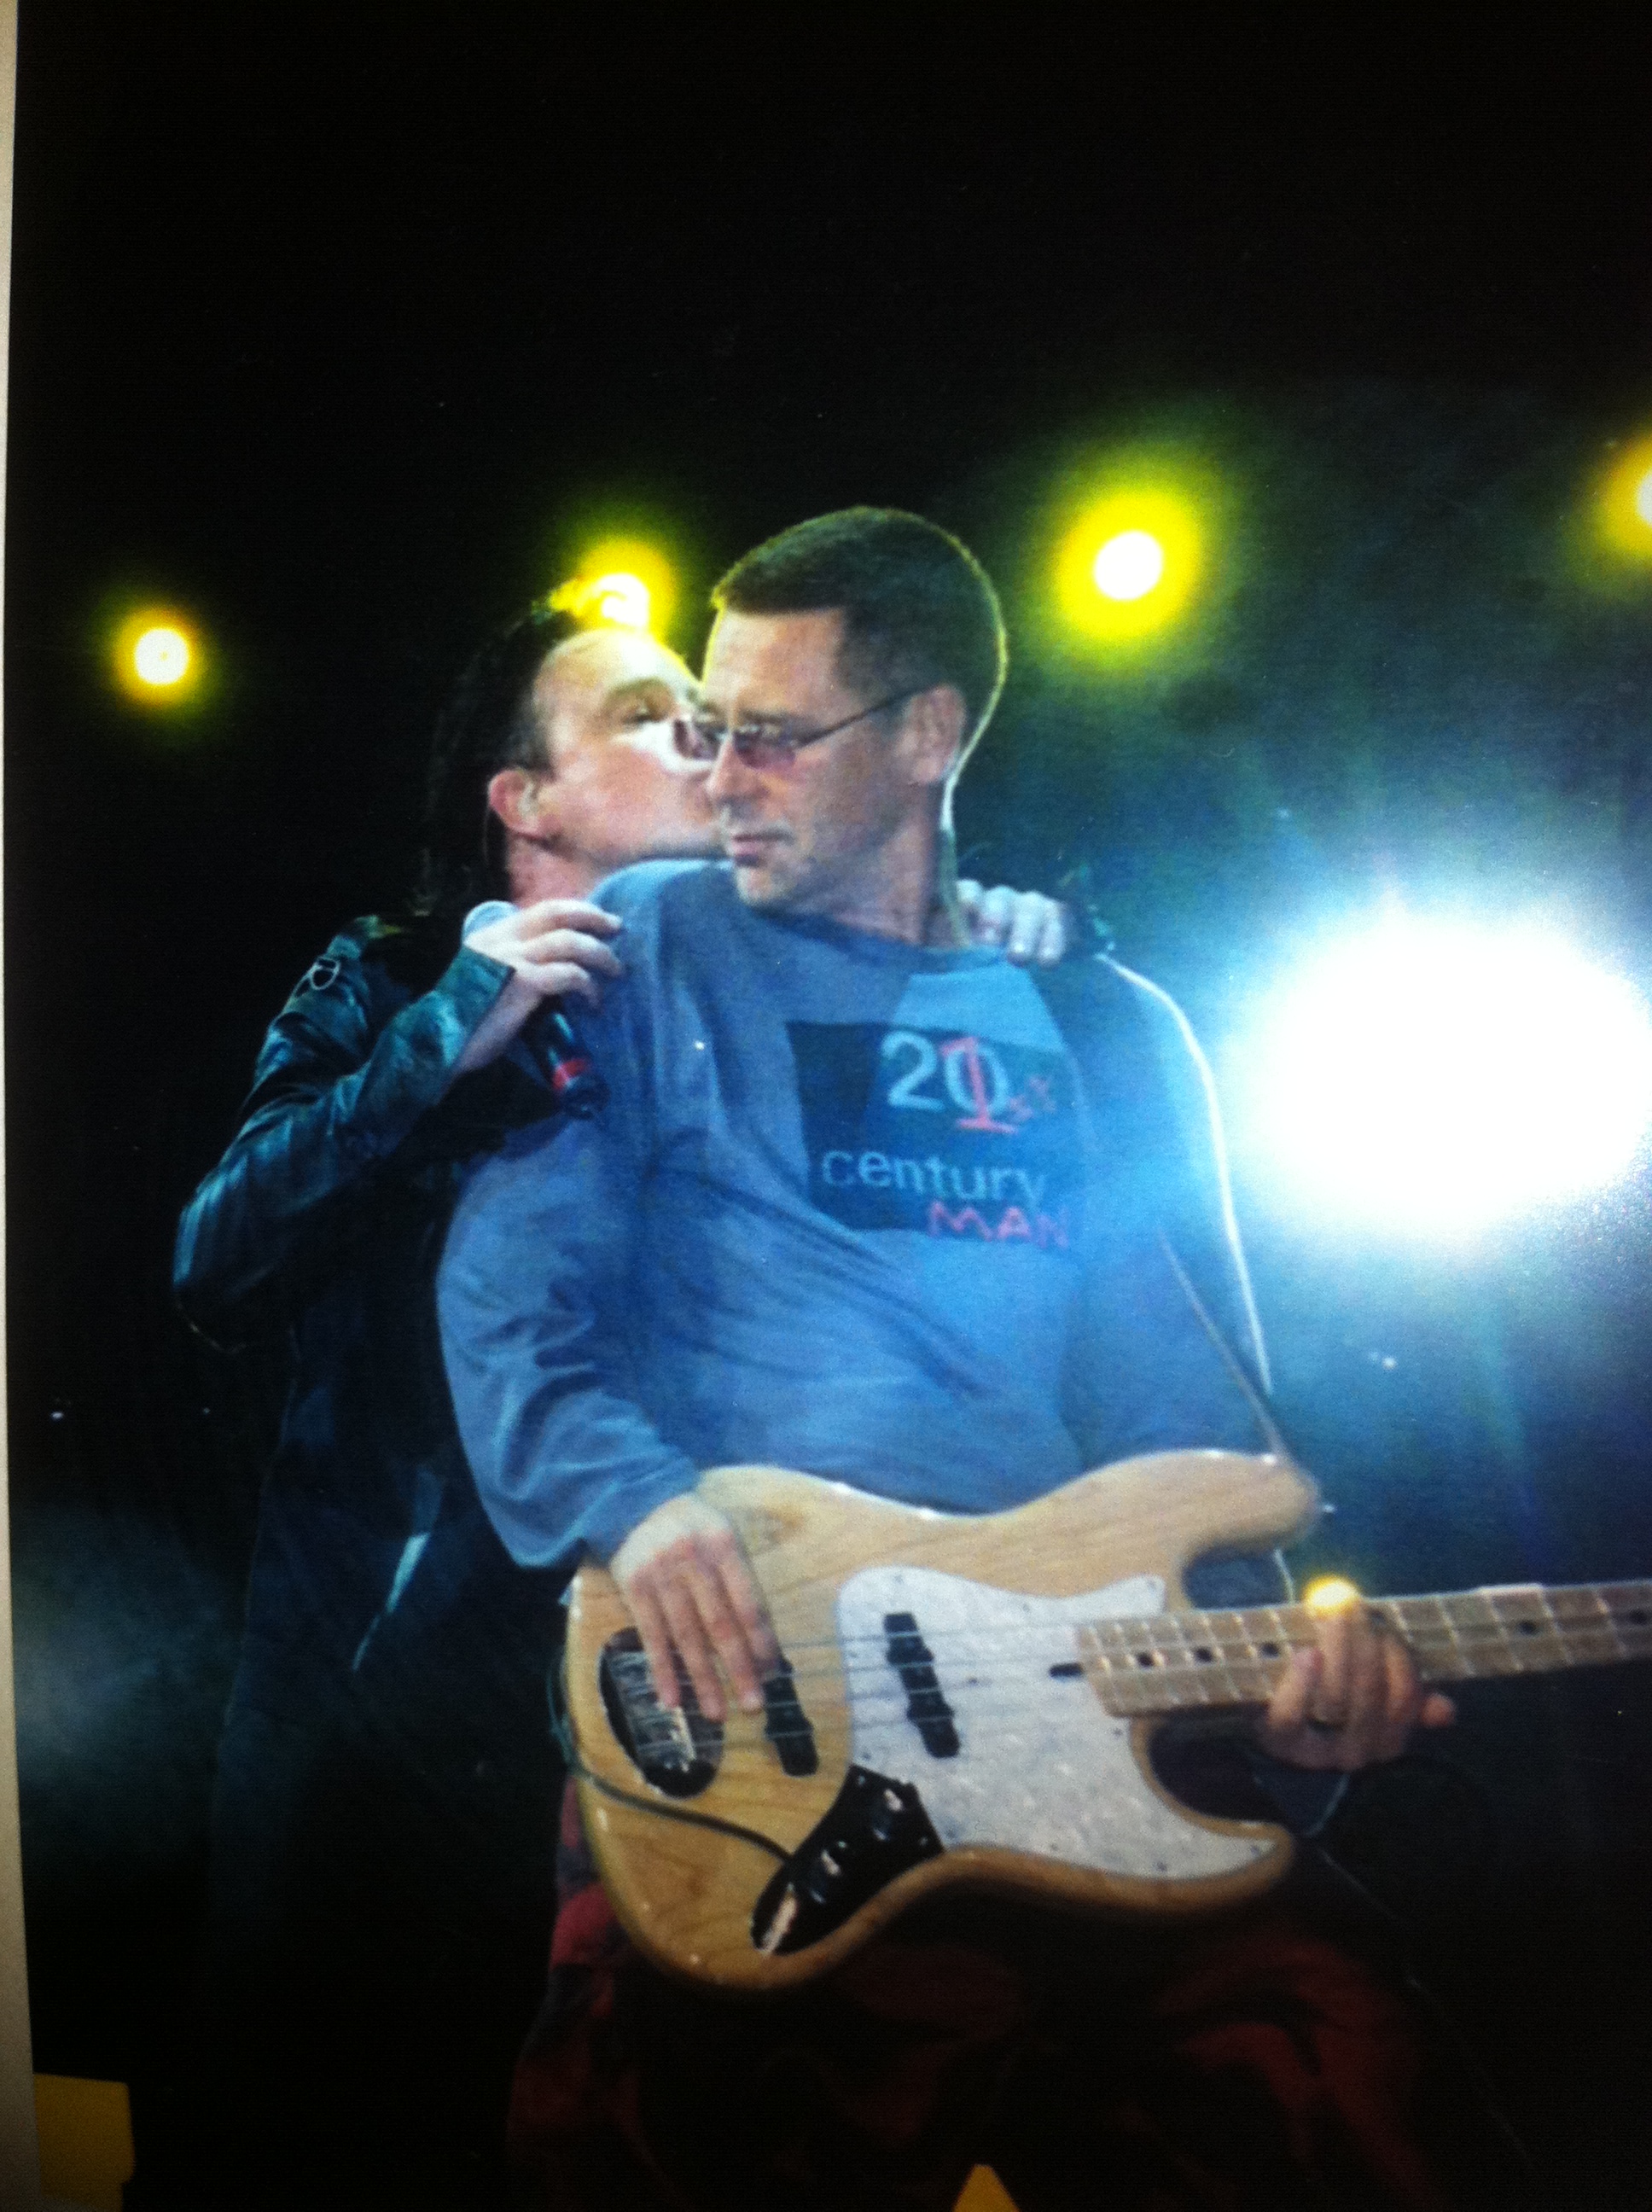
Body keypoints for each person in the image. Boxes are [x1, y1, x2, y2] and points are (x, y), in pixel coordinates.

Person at [438, 511, 1502, 2212]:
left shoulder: (1099, 1024)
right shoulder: (651, 943)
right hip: (758, 1734)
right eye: (707, 728)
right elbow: (509, 1298)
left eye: (773, 737)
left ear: (927, 732)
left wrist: (1281, 1713)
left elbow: (1187, 1428)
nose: (721, 777)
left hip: (1087, 1759)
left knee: (1364, 2107)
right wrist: (636, 1506)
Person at [175, 596, 1068, 2210]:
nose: (709, 742)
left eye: (721, 717)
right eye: (654, 715)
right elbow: (214, 1262)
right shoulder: (396, 977)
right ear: (527, 801)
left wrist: (961, 945)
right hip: (382, 1679)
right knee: (307, 2110)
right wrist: (446, 1034)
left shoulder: (758, 982)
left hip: (695, 1682)